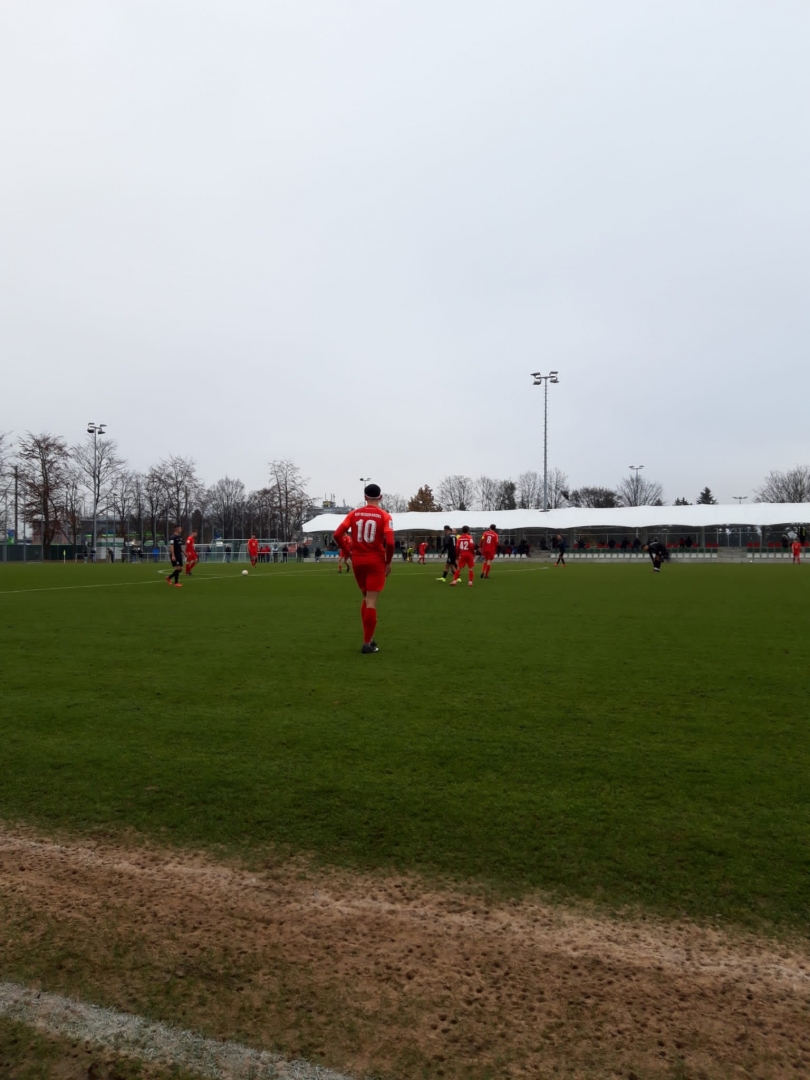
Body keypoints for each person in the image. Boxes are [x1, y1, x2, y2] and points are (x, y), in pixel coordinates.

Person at [334, 483, 395, 654]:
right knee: (371, 601)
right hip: (375, 561)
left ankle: (369, 637)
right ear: (380, 497)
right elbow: (390, 542)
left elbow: (337, 534)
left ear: (364, 497)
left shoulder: (353, 513)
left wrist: (349, 552)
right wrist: (388, 561)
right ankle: (367, 643)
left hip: (358, 561)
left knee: (366, 598)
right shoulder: (385, 516)